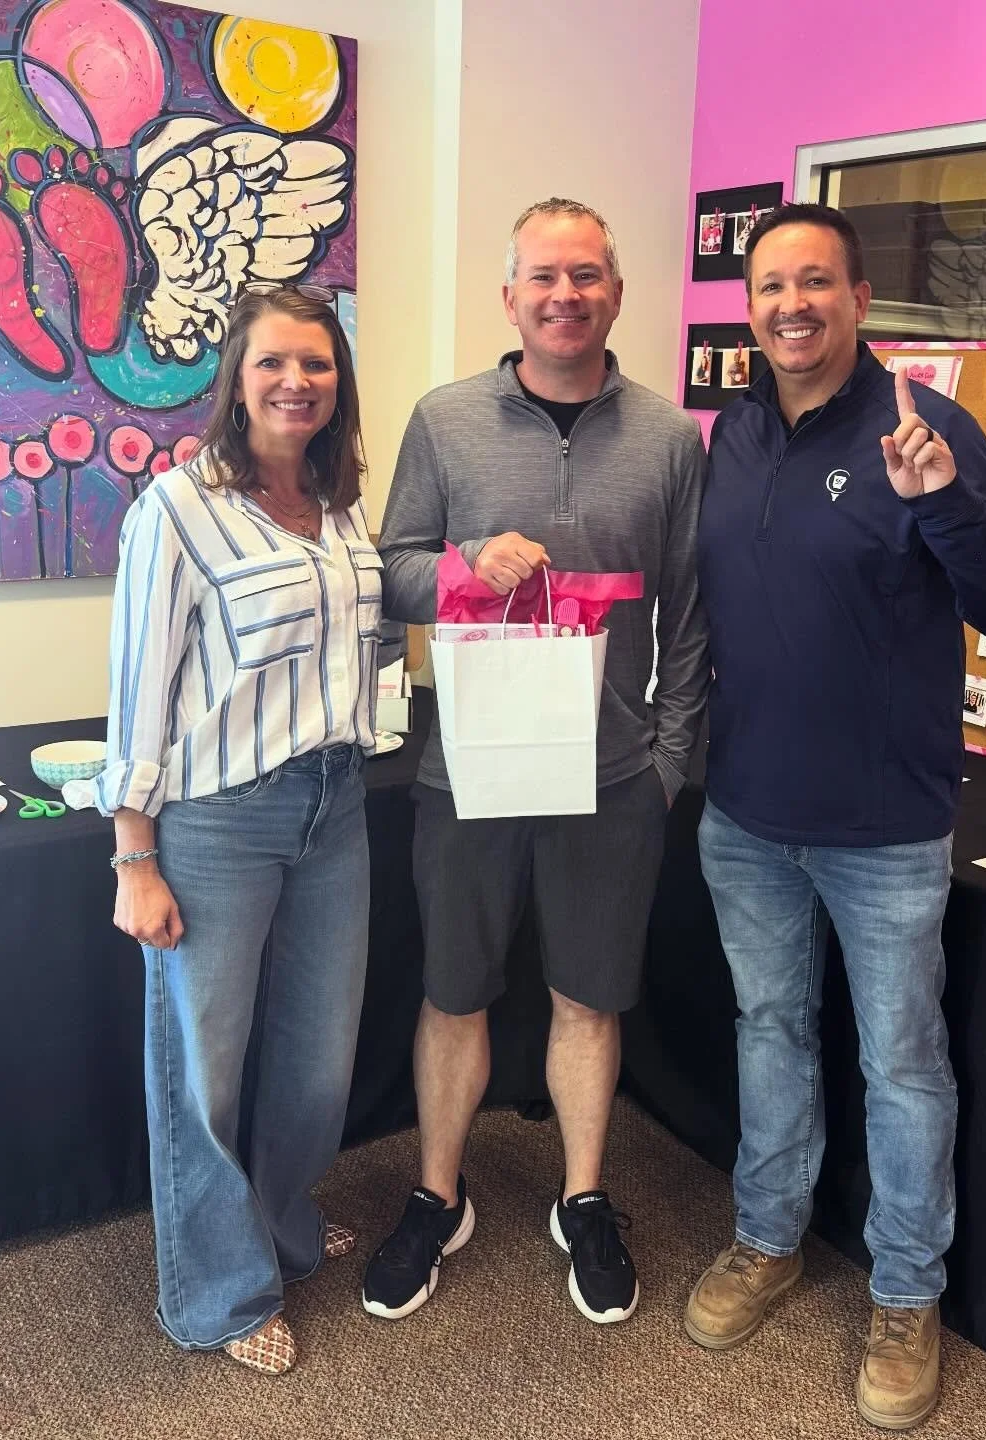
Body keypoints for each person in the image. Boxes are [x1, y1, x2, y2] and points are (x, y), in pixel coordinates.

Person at [684, 203, 986, 1429]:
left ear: (856, 301)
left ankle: (908, 1297)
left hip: (887, 827)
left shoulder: (925, 428)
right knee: (770, 1030)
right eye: (770, 287)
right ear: (752, 308)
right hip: (746, 814)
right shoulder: (731, 433)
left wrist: (946, 501)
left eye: (815, 284)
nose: (790, 305)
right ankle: (767, 1239)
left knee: (902, 1065)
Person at [369, 197, 709, 1328]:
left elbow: (693, 615)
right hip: (466, 772)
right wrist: (465, 562)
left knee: (588, 996)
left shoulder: (667, 437)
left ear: (618, 291)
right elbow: (393, 568)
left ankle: (584, 1198)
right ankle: (436, 1195)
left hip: (612, 781)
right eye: (543, 277)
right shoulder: (445, 419)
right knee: (453, 990)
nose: (566, 294)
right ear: (508, 294)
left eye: (588, 275)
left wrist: (669, 760)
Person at [95, 283, 401, 1376]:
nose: (296, 382)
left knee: (319, 1056)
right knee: (204, 1069)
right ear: (236, 378)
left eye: (317, 364)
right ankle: (217, 1295)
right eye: (274, 362)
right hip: (218, 820)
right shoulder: (177, 508)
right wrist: (136, 854)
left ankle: (278, 1217)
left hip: (336, 807)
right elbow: (138, 692)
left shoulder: (339, 506)